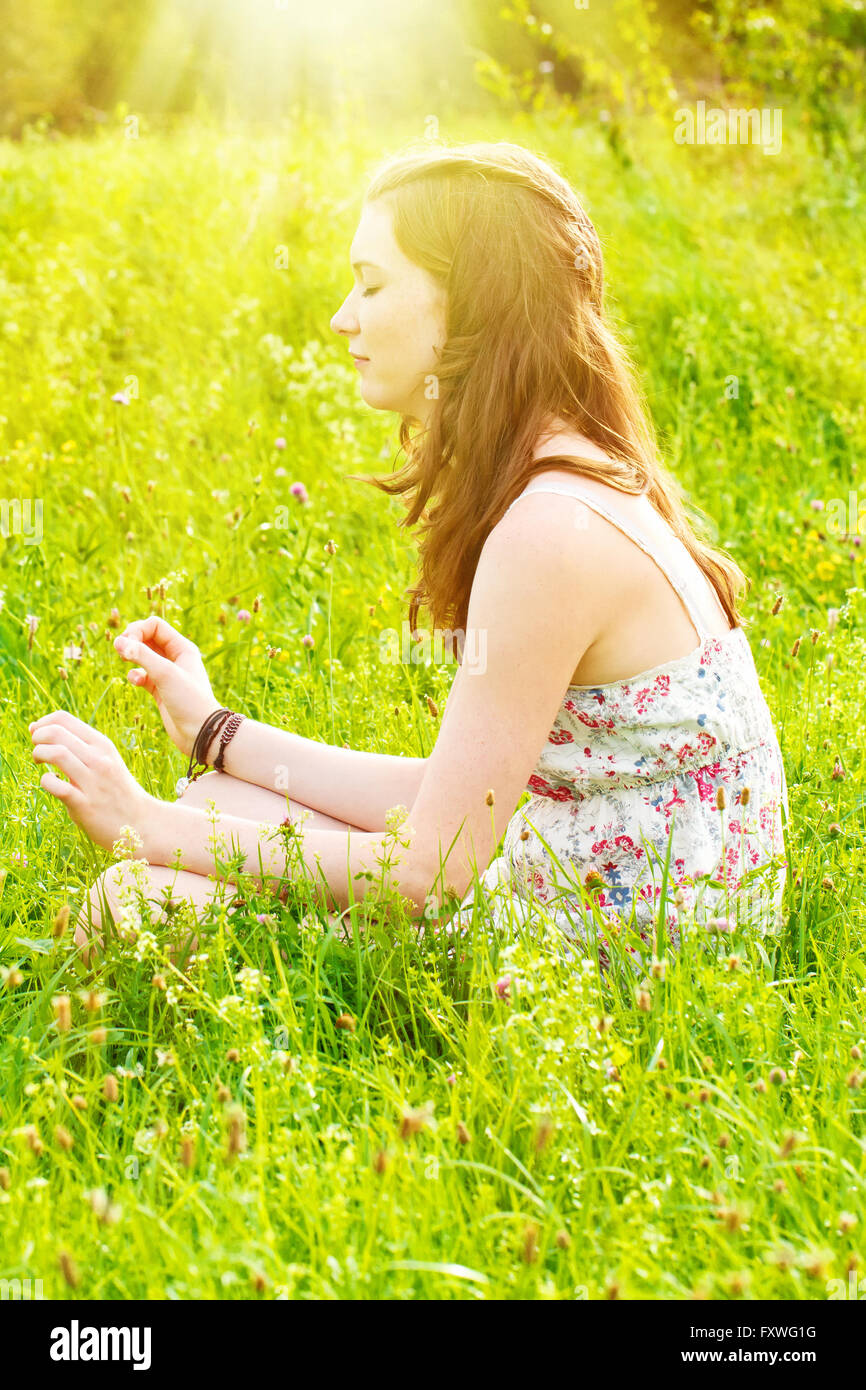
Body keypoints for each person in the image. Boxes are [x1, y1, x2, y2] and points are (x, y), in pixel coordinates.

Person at [29, 140, 787, 967]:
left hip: (628, 963)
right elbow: (454, 796)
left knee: (137, 898)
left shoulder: (549, 531)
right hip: (600, 885)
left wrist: (145, 823)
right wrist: (215, 732)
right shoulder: (574, 483)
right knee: (222, 796)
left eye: (373, 281)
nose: (342, 315)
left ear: (470, 304)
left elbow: (429, 869)